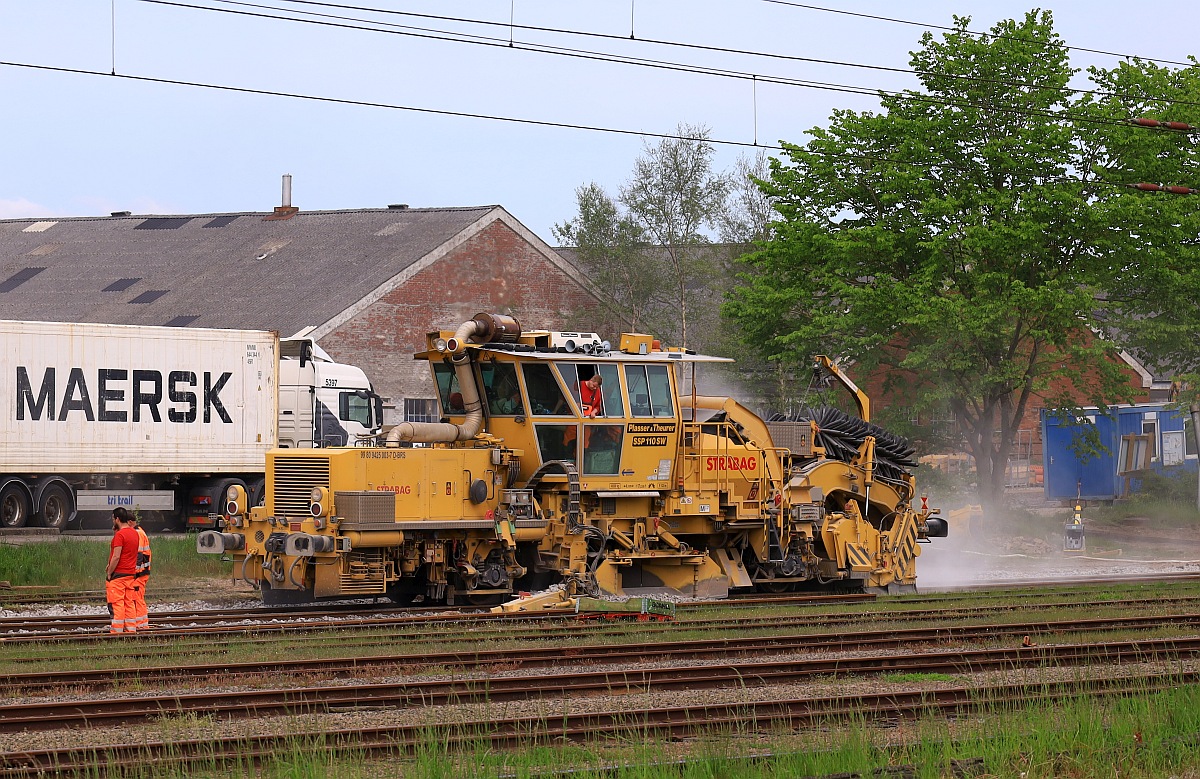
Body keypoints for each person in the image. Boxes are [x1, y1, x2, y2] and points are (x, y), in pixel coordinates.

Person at [105, 508, 141, 634]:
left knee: (117, 604)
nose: (113, 521)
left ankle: (117, 631)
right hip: (130, 575)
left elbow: (116, 556)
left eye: (113, 519)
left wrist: (109, 572)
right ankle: (131, 630)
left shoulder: (120, 535)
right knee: (129, 603)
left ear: (117, 519)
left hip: (118, 576)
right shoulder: (135, 533)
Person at [131, 512, 152, 631]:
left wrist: (134, 573)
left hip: (139, 574)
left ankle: (140, 625)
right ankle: (142, 624)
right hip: (142, 572)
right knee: (138, 598)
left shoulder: (137, 534)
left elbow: (138, 556)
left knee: (137, 599)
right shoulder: (140, 532)